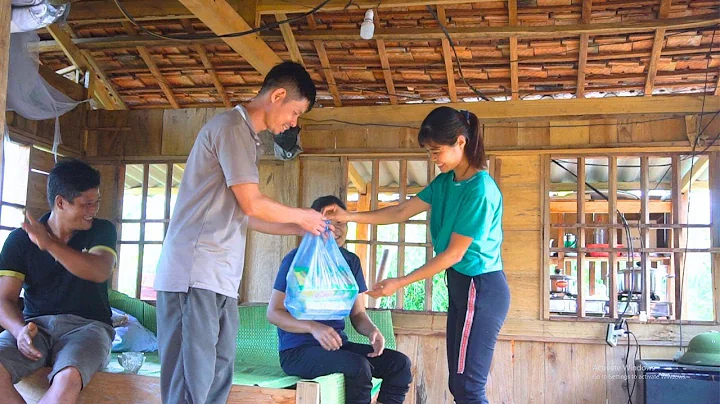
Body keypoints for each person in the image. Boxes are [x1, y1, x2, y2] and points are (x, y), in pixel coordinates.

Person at [153, 61, 329, 404]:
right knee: (191, 385)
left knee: (217, 379)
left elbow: (246, 215)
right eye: (294, 112)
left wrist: (302, 228)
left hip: (219, 278)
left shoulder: (249, 141)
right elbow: (252, 204)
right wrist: (303, 217)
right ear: (277, 96)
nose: (294, 122)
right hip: (193, 274)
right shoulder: (231, 127)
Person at [325, 107, 510, 404]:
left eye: (437, 151)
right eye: (430, 152)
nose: (434, 159)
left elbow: (453, 253)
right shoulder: (446, 182)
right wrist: (349, 216)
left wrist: (401, 281)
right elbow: (400, 211)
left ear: (460, 142)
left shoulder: (480, 190)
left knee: (468, 387)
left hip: (481, 287)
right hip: (463, 285)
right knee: (459, 383)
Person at [267, 195, 412, 404]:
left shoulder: (350, 262)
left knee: (399, 364)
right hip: (297, 352)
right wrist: (313, 327)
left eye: (341, 222)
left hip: (337, 347)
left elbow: (358, 314)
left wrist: (372, 331)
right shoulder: (296, 260)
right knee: (358, 366)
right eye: (328, 222)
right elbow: (274, 313)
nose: (336, 229)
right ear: (313, 224)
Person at [0, 160, 117, 404]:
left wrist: (50, 244)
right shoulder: (20, 240)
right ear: (61, 202)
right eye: (86, 203)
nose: (93, 209)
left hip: (89, 327)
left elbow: (99, 270)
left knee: (68, 378)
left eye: (96, 202)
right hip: (35, 327)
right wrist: (18, 330)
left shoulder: (102, 230)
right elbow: (4, 299)